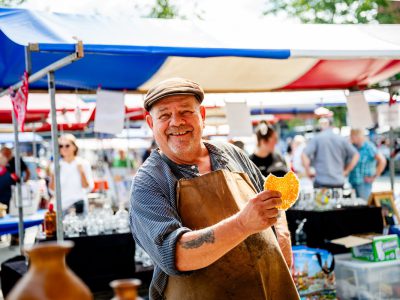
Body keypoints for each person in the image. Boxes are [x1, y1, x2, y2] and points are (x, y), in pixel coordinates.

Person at [130, 78, 299, 300]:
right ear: (151, 124)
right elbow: (177, 255)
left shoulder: (231, 154)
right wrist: (242, 224)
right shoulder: (149, 181)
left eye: (185, 112)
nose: (176, 122)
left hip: (267, 290)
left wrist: (283, 244)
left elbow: (273, 201)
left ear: (202, 116)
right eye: (164, 115)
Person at [302, 118, 359, 188]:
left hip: (321, 181)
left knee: (321, 198)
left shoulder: (317, 138)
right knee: (338, 198)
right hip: (338, 181)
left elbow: (304, 154)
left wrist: (307, 171)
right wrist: (346, 171)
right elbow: (356, 155)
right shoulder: (341, 139)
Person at [49, 134, 94, 214]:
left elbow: (88, 188)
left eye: (67, 145)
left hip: (79, 205)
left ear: (74, 147)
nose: (64, 148)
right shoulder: (55, 165)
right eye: (61, 146)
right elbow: (52, 191)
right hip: (62, 207)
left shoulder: (83, 163)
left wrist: (81, 172)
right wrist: (53, 175)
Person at [349, 129, 386, 200]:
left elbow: (382, 160)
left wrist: (375, 176)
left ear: (358, 136)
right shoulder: (353, 147)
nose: (351, 138)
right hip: (353, 181)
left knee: (364, 205)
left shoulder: (368, 147)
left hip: (364, 183)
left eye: (352, 136)